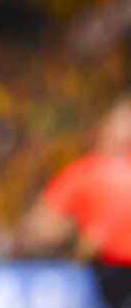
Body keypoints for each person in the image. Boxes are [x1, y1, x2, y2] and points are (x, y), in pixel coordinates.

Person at [22, 98, 131, 307]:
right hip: (111, 270)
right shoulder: (81, 172)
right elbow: (42, 224)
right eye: (121, 124)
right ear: (105, 128)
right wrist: (76, 237)